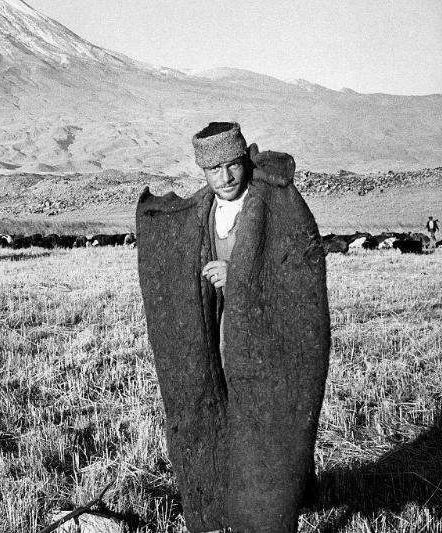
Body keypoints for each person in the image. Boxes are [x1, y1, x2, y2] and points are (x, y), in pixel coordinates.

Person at [136, 122, 331, 533]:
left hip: (267, 337)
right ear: (201, 171)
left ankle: (266, 513)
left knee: (264, 420)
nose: (225, 178)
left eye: (231, 166)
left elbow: (300, 269)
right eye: (213, 170)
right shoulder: (202, 209)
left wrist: (239, 274)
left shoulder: (277, 202)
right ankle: (226, 507)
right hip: (220, 331)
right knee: (221, 413)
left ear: (243, 159)